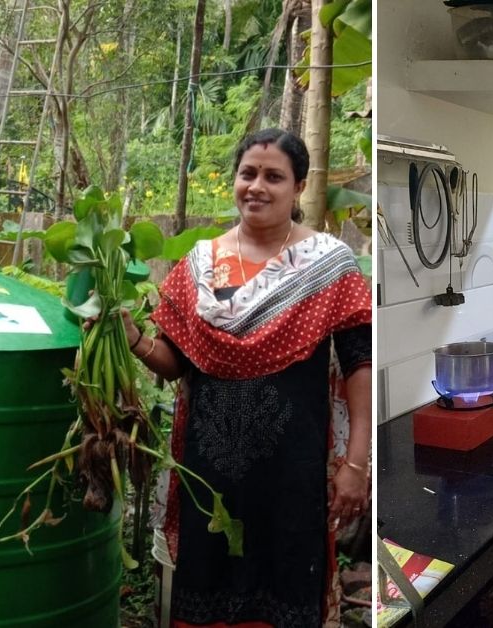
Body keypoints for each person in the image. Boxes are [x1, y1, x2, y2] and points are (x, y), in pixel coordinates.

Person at [124, 128, 372, 627]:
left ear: (298, 186)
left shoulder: (328, 264)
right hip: (208, 471)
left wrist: (356, 464)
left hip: (292, 473)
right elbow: (175, 360)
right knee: (206, 583)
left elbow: (358, 365)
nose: (257, 186)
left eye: (274, 176)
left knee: (286, 584)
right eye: (248, 173)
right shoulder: (199, 263)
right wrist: (131, 337)